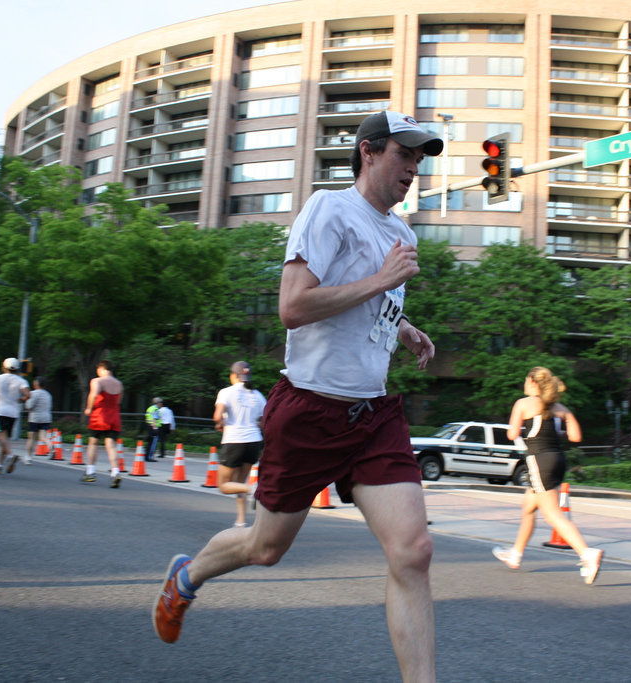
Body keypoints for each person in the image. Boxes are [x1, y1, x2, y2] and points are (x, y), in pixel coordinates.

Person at [152, 110, 441, 682]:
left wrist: (401, 325)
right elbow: (294, 306)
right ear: (369, 152)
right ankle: (185, 577)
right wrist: (383, 281)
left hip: (374, 414)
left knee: (414, 551)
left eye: (419, 158)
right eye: (403, 155)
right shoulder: (328, 209)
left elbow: (365, 304)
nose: (414, 168)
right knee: (266, 548)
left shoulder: (402, 233)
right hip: (309, 409)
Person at [492, 366, 604, 585]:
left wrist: (526, 428)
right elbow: (575, 436)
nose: (524, 384)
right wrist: (556, 429)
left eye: (525, 379)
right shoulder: (559, 407)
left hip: (538, 460)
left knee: (552, 514)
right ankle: (515, 553)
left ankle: (586, 553)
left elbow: (512, 433)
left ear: (533, 381)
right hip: (558, 460)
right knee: (528, 507)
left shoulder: (523, 403)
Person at [213, 361, 267, 527]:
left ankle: (254, 490)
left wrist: (220, 423)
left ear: (234, 376)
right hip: (253, 442)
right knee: (239, 484)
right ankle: (241, 521)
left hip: (234, 441)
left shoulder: (226, 392)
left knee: (223, 485)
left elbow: (217, 416)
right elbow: (265, 422)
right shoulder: (258, 396)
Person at [0, 357, 31, 474]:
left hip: (0, 410)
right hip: (13, 412)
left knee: (1, 437)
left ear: (3, 367)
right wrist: (21, 399)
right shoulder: (21, 381)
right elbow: (28, 394)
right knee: (5, 439)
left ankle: (10, 455)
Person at [82, 360, 123, 488]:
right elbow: (119, 401)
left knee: (93, 442)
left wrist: (89, 408)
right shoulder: (119, 384)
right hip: (114, 416)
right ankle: (115, 472)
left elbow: (93, 395)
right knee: (111, 445)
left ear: (102, 369)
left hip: (100, 415)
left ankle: (90, 472)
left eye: (98, 370)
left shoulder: (97, 381)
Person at [24, 376, 53, 464]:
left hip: (35, 418)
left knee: (31, 438)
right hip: (46, 418)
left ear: (36, 384)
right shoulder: (48, 394)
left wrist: (27, 404)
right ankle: (51, 446)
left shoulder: (33, 393)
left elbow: (29, 406)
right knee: (43, 437)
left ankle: (28, 457)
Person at [144, 397, 163, 461]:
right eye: (161, 403)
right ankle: (150, 457)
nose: (161, 404)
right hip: (154, 427)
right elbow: (154, 419)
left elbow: (147, 419)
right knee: (153, 443)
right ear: (158, 403)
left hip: (149, 426)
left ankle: (147, 456)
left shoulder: (150, 408)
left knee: (149, 442)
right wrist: (155, 429)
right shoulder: (155, 409)